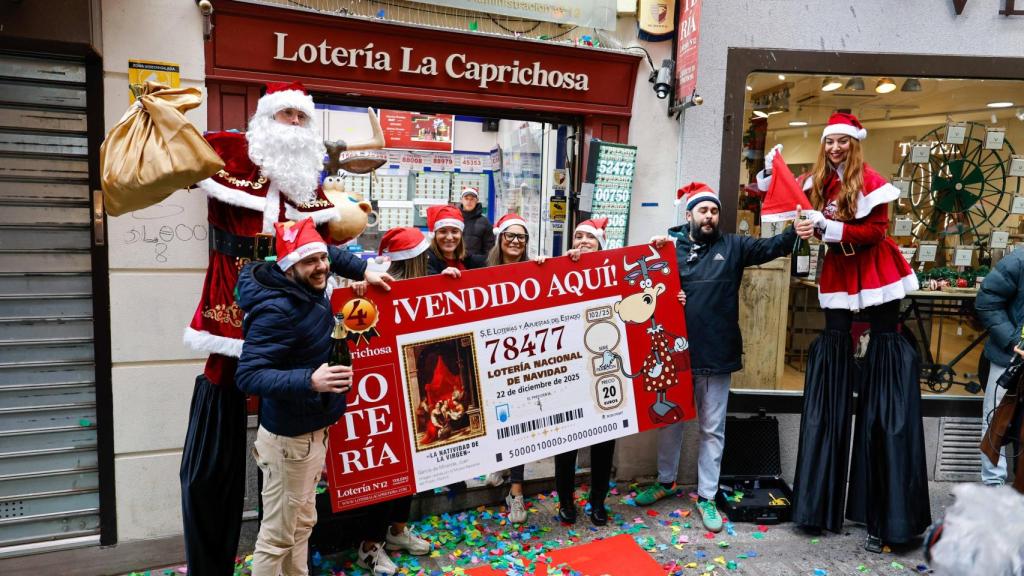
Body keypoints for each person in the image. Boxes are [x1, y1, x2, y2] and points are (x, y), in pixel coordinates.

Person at [180, 81, 383, 575]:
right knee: (217, 446)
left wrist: (362, 269)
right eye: (285, 114)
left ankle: (289, 554)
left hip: (289, 318)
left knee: (291, 443)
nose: (293, 124)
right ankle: (215, 563)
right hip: (232, 308)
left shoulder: (304, 186)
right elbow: (177, 159)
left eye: (300, 117)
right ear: (264, 120)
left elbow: (320, 247)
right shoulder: (231, 159)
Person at [763, 113, 929, 553]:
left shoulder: (870, 179)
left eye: (842, 141)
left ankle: (887, 516)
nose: (835, 148)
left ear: (854, 144)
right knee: (831, 380)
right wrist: (772, 173)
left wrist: (827, 226)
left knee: (885, 398)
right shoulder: (819, 178)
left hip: (876, 274)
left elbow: (876, 230)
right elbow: (779, 192)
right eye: (830, 141)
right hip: (839, 273)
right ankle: (819, 505)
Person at [640, 183, 809, 535]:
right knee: (669, 421)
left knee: (712, 429)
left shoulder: (733, 246)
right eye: (703, 211)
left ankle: (706, 496)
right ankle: (666, 481)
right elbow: (641, 286)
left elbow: (771, 247)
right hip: (676, 355)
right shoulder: (668, 249)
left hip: (718, 353)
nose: (709, 217)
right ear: (689, 215)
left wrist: (796, 231)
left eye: (714, 211)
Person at [234, 218, 392, 576]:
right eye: (310, 262)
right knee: (277, 537)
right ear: (290, 267)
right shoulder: (277, 310)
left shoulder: (306, 282)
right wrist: (310, 380)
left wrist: (365, 269)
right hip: (290, 441)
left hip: (311, 433)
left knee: (302, 525)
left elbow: (331, 255)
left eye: (321, 259)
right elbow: (248, 375)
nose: (322, 266)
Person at [348, 227, 435, 575]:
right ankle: (369, 546)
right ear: (413, 261)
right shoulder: (373, 292)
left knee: (410, 472)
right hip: (383, 399)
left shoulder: (424, 288)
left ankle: (396, 531)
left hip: (414, 393)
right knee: (386, 474)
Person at [554, 218, 616, 526]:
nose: (582, 241)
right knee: (566, 438)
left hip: (604, 364)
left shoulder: (614, 270)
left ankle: (598, 501)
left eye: (589, 237)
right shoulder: (560, 269)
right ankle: (566, 500)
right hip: (569, 367)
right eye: (577, 236)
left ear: (601, 243)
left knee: (604, 440)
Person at [974, 247, 1024, 487]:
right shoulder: (1019, 259)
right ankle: (994, 486)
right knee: (996, 419)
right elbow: (987, 300)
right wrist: (1014, 341)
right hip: (1009, 358)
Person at [425, 204, 486, 275]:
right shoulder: (425, 261)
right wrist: (439, 278)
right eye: (443, 231)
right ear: (434, 235)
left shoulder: (469, 259)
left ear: (461, 234)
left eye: (454, 231)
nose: (449, 237)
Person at [460, 186, 494, 258]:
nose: (469, 201)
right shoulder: (455, 219)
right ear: (461, 200)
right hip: (455, 264)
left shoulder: (485, 222)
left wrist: (479, 262)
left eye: (472, 199)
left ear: (477, 200)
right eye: (466, 199)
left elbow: (489, 249)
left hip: (476, 266)